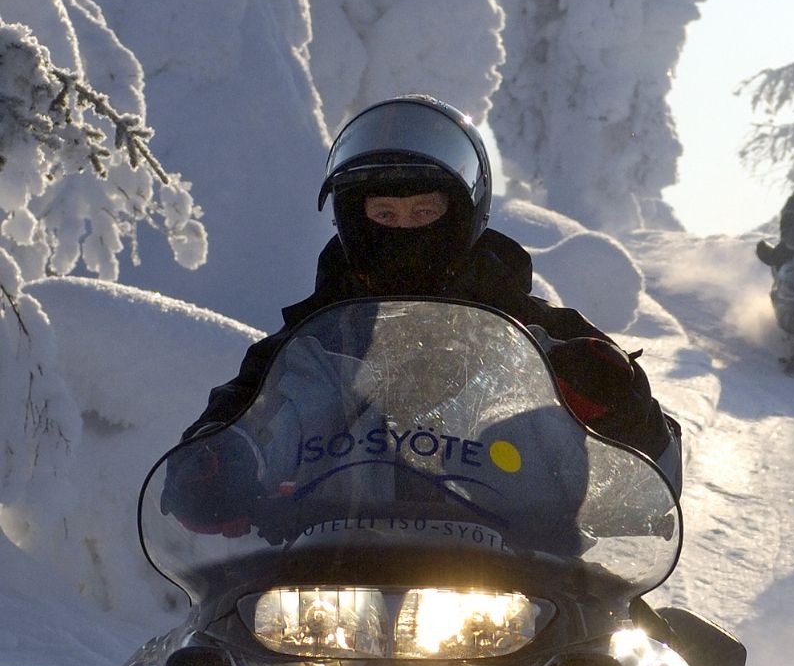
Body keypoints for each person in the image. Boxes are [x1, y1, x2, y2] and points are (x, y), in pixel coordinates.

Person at [170, 94, 680, 532]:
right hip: (329, 581)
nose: (404, 230)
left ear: (460, 213)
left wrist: (621, 406)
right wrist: (218, 462)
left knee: (631, 648)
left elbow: (657, 482)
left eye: (424, 212)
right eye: (384, 214)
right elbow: (245, 424)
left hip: (527, 581)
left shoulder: (545, 335)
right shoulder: (309, 345)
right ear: (353, 218)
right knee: (200, 649)